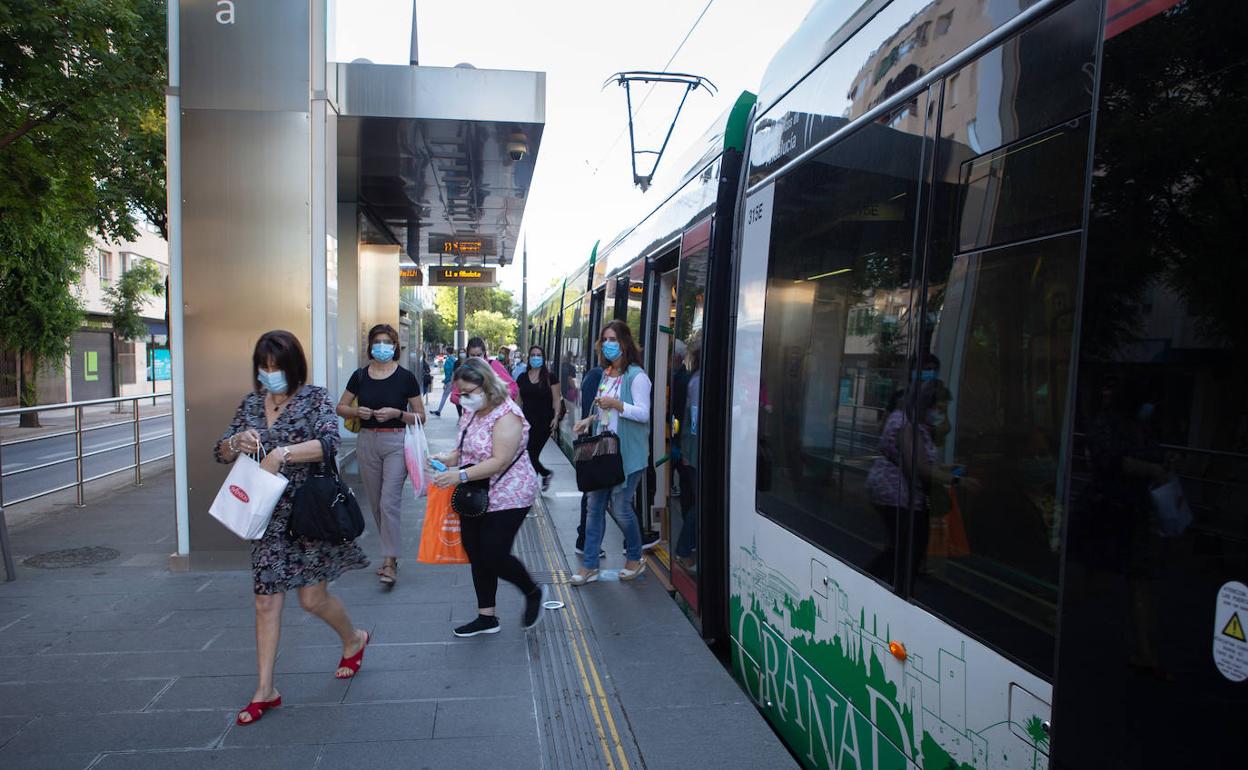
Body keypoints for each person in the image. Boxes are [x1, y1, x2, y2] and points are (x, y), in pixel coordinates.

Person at [215, 330, 369, 726]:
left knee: (311, 600)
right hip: (265, 513)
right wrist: (236, 443)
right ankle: (266, 689)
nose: (269, 374)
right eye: (263, 368)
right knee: (265, 600)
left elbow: (330, 443)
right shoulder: (250, 403)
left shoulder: (314, 397)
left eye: (276, 367)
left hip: (307, 512)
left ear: (293, 366)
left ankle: (353, 639)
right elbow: (220, 450)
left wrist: (282, 453)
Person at [429, 358, 547, 636]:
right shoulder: (472, 412)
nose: (464, 399)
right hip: (476, 492)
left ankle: (532, 592)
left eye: (468, 393)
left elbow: (499, 461)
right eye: (461, 393)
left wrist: (458, 476)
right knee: (476, 552)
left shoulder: (508, 415)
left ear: (487, 385)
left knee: (493, 552)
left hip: (509, 492)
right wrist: (446, 459)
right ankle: (487, 616)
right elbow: (465, 448)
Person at [336, 324, 427, 586]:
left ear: (395, 346)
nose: (382, 346)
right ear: (370, 346)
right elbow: (341, 407)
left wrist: (397, 413)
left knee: (389, 502)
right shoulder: (359, 376)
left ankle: (389, 561)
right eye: (377, 342)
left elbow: (421, 416)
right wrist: (356, 412)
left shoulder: (406, 377)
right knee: (376, 503)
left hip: (397, 441)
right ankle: (391, 554)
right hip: (367, 442)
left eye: (387, 342)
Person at [571, 320, 651, 584]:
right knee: (594, 507)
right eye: (604, 340)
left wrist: (617, 403)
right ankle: (590, 565)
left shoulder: (637, 376)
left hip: (628, 454)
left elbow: (643, 413)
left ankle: (635, 557)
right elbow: (603, 410)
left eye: (613, 339)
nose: (608, 344)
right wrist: (589, 420)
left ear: (625, 342)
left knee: (621, 508)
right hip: (605, 452)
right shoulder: (606, 374)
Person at [516, 344, 560, 491]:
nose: (536, 357)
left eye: (539, 355)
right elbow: (518, 400)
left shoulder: (550, 378)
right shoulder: (522, 377)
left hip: (544, 422)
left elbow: (556, 399)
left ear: (543, 358)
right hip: (526, 422)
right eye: (533, 355)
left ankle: (530, 488)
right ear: (529, 358)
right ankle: (544, 474)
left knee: (530, 453)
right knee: (528, 453)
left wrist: (556, 417)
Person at [573, 363, 604, 558]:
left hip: (592, 442)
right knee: (593, 495)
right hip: (593, 444)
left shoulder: (597, 374)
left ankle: (584, 540)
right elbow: (591, 413)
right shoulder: (597, 375)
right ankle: (584, 542)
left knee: (593, 495)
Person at [450, 337, 519, 413]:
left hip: (493, 415)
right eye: (472, 355)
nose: (476, 358)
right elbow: (453, 396)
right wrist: (468, 399)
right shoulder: (464, 370)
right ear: (468, 354)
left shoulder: (493, 365)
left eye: (479, 355)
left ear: (484, 353)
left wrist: (495, 399)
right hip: (472, 416)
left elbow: (513, 387)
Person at [431, 346, 458, 417]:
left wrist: (446, 381)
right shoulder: (454, 359)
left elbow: (449, 372)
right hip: (452, 380)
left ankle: (439, 411)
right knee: (454, 396)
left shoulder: (449, 360)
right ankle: (439, 411)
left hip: (449, 381)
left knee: (446, 396)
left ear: (447, 352)